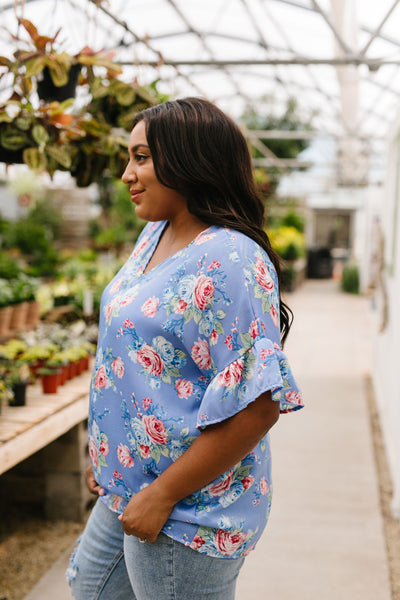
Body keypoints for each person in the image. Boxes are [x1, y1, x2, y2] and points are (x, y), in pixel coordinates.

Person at [67, 97, 303, 600]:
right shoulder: (153, 234)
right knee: (90, 587)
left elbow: (259, 407)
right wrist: (114, 453)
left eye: (142, 157)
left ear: (190, 159)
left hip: (187, 506)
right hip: (130, 486)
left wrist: (162, 494)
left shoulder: (231, 259)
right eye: (129, 158)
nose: (128, 174)